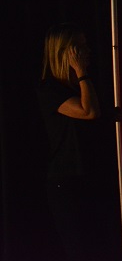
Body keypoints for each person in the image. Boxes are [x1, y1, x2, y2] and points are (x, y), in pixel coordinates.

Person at [36, 22, 115, 261]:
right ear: (66, 53)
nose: (88, 51)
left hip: (89, 179)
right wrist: (81, 71)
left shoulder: (82, 86)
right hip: (66, 184)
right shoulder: (49, 88)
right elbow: (87, 111)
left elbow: (92, 120)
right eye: (80, 47)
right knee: (80, 252)